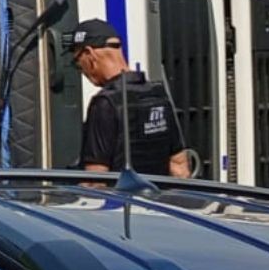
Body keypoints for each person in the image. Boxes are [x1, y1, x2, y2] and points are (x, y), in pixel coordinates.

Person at [72, 18, 191, 178]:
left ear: (89, 54)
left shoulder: (105, 103)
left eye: (78, 63)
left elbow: (95, 180)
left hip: (120, 201)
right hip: (153, 200)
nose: (82, 72)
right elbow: (179, 167)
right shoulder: (157, 94)